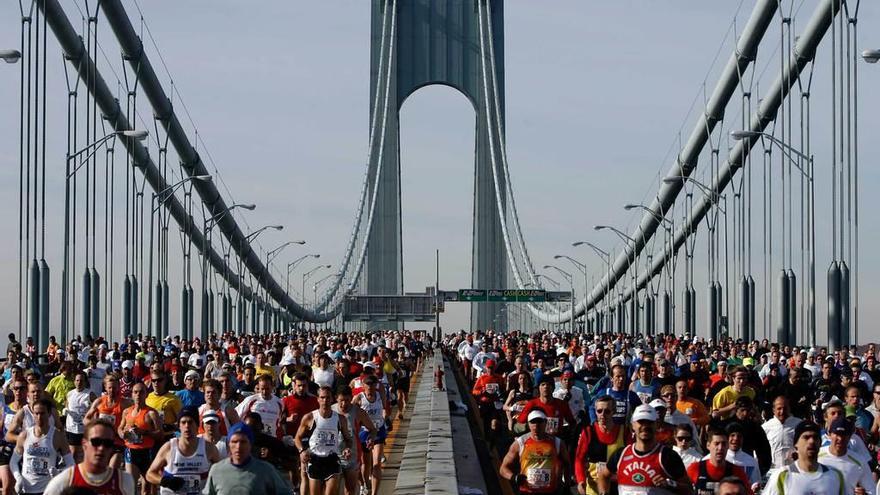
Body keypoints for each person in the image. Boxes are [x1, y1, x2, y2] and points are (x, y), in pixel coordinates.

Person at [598, 404, 692, 495]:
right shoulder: (621, 454)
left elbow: (689, 490)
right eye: (641, 422)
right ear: (633, 426)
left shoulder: (668, 456)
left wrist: (670, 484)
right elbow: (603, 476)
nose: (645, 426)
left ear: (657, 424)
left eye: (649, 422)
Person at [43, 419, 136, 495]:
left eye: (107, 443)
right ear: (84, 444)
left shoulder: (124, 481)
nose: (101, 448)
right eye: (96, 442)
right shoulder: (65, 481)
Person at [145, 407, 220, 495]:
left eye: (190, 422)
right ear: (179, 426)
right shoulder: (168, 447)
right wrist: (165, 481)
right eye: (183, 422)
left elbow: (222, 473)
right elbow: (149, 474)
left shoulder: (209, 448)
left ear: (197, 425)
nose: (187, 426)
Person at [201, 422, 291, 495]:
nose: (238, 446)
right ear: (228, 444)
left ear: (250, 444)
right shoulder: (217, 470)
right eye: (234, 442)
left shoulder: (266, 470)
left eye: (243, 442)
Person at [294, 386, 354, 495]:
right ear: (317, 399)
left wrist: (347, 448)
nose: (325, 401)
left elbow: (348, 439)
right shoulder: (310, 417)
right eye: (322, 397)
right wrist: (302, 451)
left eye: (327, 397)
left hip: (332, 459)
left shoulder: (340, 419)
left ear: (332, 399)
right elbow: (297, 438)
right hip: (315, 460)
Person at [499, 410, 573, 494]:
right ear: (528, 424)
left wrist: (567, 486)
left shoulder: (557, 442)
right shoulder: (520, 443)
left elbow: (567, 464)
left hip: (551, 491)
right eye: (533, 422)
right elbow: (503, 469)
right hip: (527, 491)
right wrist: (514, 477)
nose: (536, 425)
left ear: (546, 423)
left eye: (539, 422)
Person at [9, 399, 73, 495]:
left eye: (42, 413)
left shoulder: (57, 436)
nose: (39, 417)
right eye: (36, 413)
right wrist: (18, 478)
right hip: (26, 489)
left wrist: (59, 473)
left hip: (48, 490)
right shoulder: (24, 435)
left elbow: (71, 463)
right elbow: (13, 461)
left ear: (49, 413)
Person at [763, 421, 845, 495]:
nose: (811, 441)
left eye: (815, 437)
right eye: (806, 437)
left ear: (820, 443)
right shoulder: (782, 476)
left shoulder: (835, 475)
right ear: (796, 444)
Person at [573, 395, 626, 495]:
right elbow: (579, 459)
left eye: (607, 411)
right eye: (599, 411)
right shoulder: (588, 432)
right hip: (594, 487)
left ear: (614, 412)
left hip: (618, 488)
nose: (602, 414)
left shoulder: (624, 432)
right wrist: (581, 481)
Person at [332, 386, 376, 495]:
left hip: (352, 455)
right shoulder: (331, 410)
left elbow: (373, 429)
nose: (344, 404)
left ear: (351, 398)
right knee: (333, 489)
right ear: (336, 398)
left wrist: (371, 438)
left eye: (347, 400)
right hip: (332, 456)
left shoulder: (358, 412)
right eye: (341, 400)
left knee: (350, 490)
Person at [117, 382, 161, 493]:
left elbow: (160, 434)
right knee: (130, 485)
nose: (138, 395)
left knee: (147, 488)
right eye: (135, 392)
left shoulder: (151, 413)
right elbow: (119, 428)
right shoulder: (126, 412)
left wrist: (144, 432)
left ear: (146, 394)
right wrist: (122, 434)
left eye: (141, 392)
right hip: (131, 451)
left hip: (147, 452)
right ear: (131, 394)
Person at [685, 428, 752, 495]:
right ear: (708, 445)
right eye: (716, 444)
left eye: (724, 444)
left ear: (728, 446)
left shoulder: (737, 471)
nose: (720, 448)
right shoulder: (695, 468)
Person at [352, 374, 389, 495]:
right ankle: (364, 484)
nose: (370, 388)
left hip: (378, 430)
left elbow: (384, 408)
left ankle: (374, 493)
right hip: (364, 432)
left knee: (376, 463)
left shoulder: (380, 395)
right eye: (368, 385)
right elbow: (351, 413)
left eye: (373, 385)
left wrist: (385, 416)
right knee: (366, 464)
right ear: (363, 386)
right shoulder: (359, 398)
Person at [818, 417, 873, 495]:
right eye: (837, 434)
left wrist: (865, 494)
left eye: (844, 435)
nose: (840, 438)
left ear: (850, 437)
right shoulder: (816, 457)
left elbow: (871, 490)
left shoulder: (859, 461)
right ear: (829, 435)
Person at [761, 396, 803, 469]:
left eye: (785, 408)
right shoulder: (765, 427)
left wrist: (799, 454)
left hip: (794, 468)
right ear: (774, 410)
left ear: (789, 408)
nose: (782, 411)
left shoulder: (799, 425)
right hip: (772, 470)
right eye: (779, 408)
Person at [65, 372, 97, 463]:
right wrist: (66, 410)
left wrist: (90, 417)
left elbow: (98, 408)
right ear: (74, 382)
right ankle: (75, 472)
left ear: (85, 382)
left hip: (84, 429)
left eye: (81, 380)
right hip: (72, 428)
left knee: (85, 453)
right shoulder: (70, 394)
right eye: (77, 380)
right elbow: (67, 406)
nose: (79, 382)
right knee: (73, 454)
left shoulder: (89, 394)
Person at [146, 369, 183, 444]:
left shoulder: (174, 399)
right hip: (150, 437)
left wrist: (170, 426)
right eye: (154, 380)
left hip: (167, 438)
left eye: (159, 380)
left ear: (165, 381)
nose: (156, 383)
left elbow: (181, 420)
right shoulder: (147, 397)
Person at [724, 422, 761, 491]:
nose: (736, 438)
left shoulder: (751, 461)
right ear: (727, 438)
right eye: (732, 435)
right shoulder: (719, 458)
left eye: (739, 436)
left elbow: (756, 483)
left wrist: (755, 487)